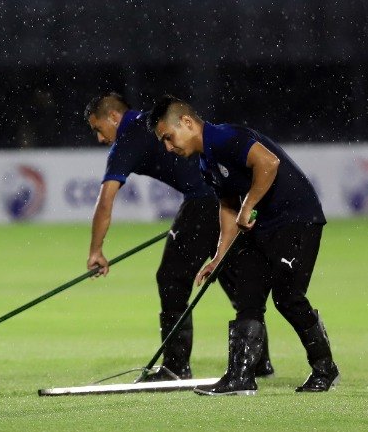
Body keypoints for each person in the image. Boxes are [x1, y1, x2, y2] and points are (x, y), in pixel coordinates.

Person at [148, 95, 339, 396]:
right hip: (262, 226)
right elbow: (226, 206)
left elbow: (268, 162)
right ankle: (240, 377)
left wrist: (248, 204)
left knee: (287, 297)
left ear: (186, 122)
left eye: (168, 138)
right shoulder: (204, 161)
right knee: (247, 294)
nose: (168, 147)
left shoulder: (225, 137)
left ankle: (325, 368)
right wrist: (219, 257)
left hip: (296, 219)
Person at [84, 92, 273, 381]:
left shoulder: (128, 138)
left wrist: (96, 250)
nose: (99, 138)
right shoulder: (152, 123)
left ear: (114, 117)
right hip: (224, 196)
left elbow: (106, 199)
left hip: (204, 200)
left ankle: (175, 367)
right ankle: (257, 361)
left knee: (171, 279)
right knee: (232, 278)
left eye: (98, 128)